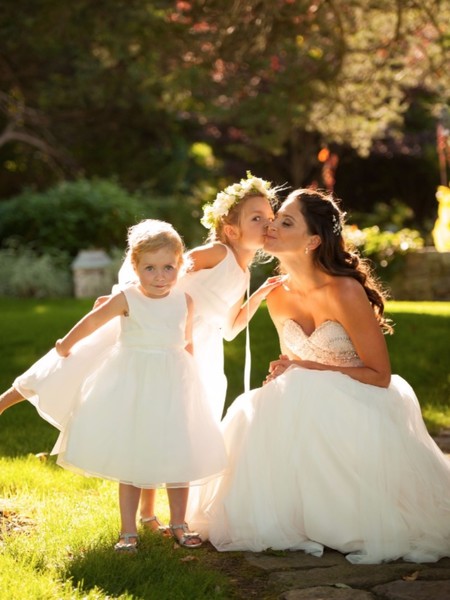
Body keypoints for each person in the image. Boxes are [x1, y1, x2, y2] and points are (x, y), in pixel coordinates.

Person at [0, 173, 283, 532]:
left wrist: (257, 297)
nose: (267, 223)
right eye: (256, 217)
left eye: (270, 217)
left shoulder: (244, 275)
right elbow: (168, 265)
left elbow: (229, 329)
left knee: (167, 426)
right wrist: (128, 295)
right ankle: (7, 399)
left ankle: (150, 515)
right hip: (154, 326)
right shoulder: (218, 253)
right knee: (75, 363)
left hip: (191, 350)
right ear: (230, 229)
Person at [188, 188, 450, 565]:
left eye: (286, 221)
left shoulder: (344, 290)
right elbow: (298, 359)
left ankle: (335, 512)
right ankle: (294, 512)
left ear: (312, 241)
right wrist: (286, 366)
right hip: (307, 392)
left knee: (305, 392)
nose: (272, 226)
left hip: (361, 398)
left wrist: (304, 367)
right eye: (276, 219)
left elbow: (379, 375)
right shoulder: (277, 295)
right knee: (260, 409)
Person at [52, 219, 228, 551]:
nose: (160, 276)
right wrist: (66, 343)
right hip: (134, 383)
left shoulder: (184, 301)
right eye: (150, 268)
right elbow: (92, 320)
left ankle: (179, 522)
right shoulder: (127, 298)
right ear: (135, 266)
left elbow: (186, 343)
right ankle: (127, 530)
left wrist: (193, 380)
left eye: (168, 267)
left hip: (175, 383)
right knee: (131, 456)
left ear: (180, 265)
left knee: (180, 451)